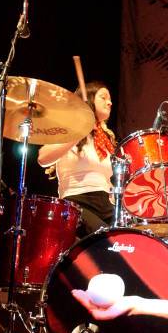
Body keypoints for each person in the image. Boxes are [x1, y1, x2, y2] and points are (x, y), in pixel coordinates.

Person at [38, 81, 116, 237]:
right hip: (77, 202)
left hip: (105, 203)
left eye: (110, 98)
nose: (110, 102)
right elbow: (43, 158)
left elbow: (106, 179)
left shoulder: (106, 138)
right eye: (103, 97)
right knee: (105, 240)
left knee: (128, 238)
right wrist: (79, 132)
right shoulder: (68, 129)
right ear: (89, 100)